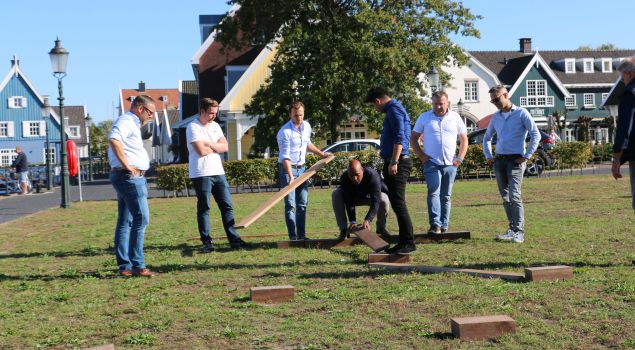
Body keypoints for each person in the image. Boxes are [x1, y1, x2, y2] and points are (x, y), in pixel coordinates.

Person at [187, 98, 249, 252]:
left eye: (215, 113)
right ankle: (206, 242)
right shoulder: (193, 127)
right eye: (210, 113)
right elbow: (200, 151)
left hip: (218, 172)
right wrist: (215, 146)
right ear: (202, 111)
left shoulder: (215, 126)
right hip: (201, 173)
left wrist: (208, 144)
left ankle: (234, 239)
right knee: (204, 208)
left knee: (227, 206)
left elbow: (226, 147)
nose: (214, 116)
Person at [483, 85, 540, 244]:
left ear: (506, 95)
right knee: (505, 197)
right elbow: (487, 138)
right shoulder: (496, 117)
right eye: (492, 100)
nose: (495, 102)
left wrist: (527, 156)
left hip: (516, 160)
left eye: (497, 99)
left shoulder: (522, 113)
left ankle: (519, 232)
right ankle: (512, 229)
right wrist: (489, 156)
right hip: (500, 160)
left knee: (515, 195)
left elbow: (535, 134)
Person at [108, 95, 156, 277]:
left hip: (124, 175)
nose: (151, 117)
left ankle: (125, 266)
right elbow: (114, 139)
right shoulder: (127, 121)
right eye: (150, 112)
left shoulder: (130, 123)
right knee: (141, 219)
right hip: (129, 176)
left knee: (125, 222)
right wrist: (127, 165)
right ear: (140, 108)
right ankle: (137, 265)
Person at [365, 87, 416, 254]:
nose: (375, 109)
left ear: (378, 101)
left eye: (373, 106)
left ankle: (408, 242)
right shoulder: (395, 110)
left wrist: (394, 161)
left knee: (399, 203)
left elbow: (399, 137)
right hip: (397, 161)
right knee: (397, 203)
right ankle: (404, 242)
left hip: (398, 162)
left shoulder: (394, 111)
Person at [410, 90, 468, 234]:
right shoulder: (424, 117)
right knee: (434, 192)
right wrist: (422, 156)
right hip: (432, 163)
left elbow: (464, 139)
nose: (438, 107)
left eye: (441, 104)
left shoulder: (455, 117)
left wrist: (460, 158)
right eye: (435, 104)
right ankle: (435, 224)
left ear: (447, 103)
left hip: (450, 163)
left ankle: (444, 226)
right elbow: (413, 138)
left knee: (446, 196)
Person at [277, 101, 330, 240]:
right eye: (295, 116)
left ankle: (302, 235)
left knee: (302, 203)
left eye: (301, 115)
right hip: (287, 170)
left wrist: (322, 154)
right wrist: (290, 177)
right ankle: (293, 237)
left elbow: (307, 144)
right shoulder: (284, 132)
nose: (299, 118)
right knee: (290, 205)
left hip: (303, 169)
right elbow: (285, 157)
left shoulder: (306, 126)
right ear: (290, 114)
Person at [331, 159, 391, 240]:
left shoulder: (372, 176)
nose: (354, 178)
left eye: (357, 174)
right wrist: (353, 221)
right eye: (351, 175)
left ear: (362, 170)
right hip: (355, 198)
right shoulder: (345, 177)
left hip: (370, 198)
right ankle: (343, 230)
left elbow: (376, 201)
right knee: (336, 194)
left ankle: (381, 227)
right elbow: (348, 201)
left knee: (384, 198)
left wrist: (368, 220)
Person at [611, 57, 635, 213]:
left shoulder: (629, 94)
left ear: (629, 74)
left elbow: (625, 128)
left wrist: (617, 158)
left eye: (622, 77)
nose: (622, 81)